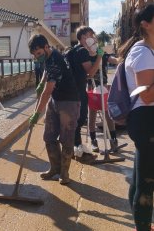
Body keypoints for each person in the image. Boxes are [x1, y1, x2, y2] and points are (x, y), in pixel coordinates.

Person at [118, 3, 154, 231]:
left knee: (142, 175)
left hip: (146, 120)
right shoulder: (142, 53)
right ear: (146, 24)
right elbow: (148, 95)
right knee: (147, 182)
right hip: (146, 119)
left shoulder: (148, 51)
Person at [28, 34, 80, 185]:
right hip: (56, 99)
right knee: (49, 137)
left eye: (38, 54)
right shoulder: (49, 56)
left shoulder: (56, 60)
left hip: (69, 101)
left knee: (66, 139)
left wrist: (36, 114)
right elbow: (46, 70)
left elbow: (48, 90)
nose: (37, 57)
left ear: (46, 47)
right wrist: (41, 82)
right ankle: (55, 169)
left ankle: (64, 173)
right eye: (34, 55)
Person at [70, 26, 104, 157]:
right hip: (78, 91)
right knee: (80, 119)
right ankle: (77, 148)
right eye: (91, 36)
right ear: (83, 38)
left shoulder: (74, 50)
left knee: (76, 121)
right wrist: (100, 57)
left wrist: (95, 52)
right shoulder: (82, 51)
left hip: (71, 91)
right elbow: (90, 73)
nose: (93, 38)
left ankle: (76, 147)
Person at [87, 52, 120, 153]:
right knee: (92, 113)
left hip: (103, 87)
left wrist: (122, 56)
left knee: (107, 113)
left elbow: (115, 60)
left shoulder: (102, 54)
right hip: (91, 88)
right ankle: (93, 140)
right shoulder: (84, 54)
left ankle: (113, 139)